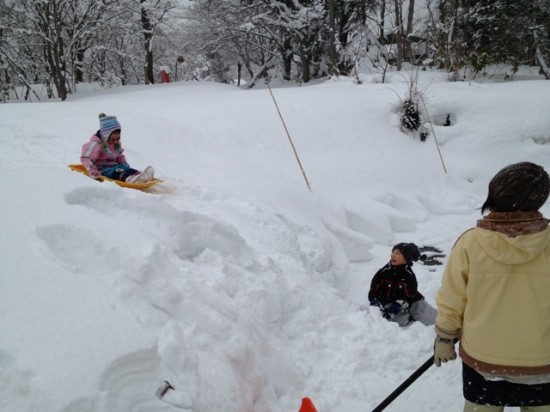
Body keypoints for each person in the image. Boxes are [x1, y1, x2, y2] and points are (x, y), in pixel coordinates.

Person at [433, 161, 550, 412]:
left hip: (484, 363)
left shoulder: (470, 243)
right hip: (543, 363)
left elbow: (453, 297)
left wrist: (445, 337)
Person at [368, 242, 437, 326]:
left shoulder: (408, 275)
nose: (393, 255)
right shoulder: (384, 272)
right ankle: (409, 318)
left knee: (434, 319)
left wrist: (399, 304)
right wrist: (375, 301)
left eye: (397, 253)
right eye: (393, 252)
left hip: (411, 302)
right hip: (390, 302)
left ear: (406, 259)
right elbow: (374, 288)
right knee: (395, 321)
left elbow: (411, 294)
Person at [81, 113, 155, 183]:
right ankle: (130, 178)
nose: (116, 141)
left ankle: (140, 175)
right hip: (102, 169)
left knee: (124, 168)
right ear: (106, 135)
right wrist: (92, 170)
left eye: (118, 137)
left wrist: (124, 164)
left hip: (115, 165)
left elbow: (119, 155)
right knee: (117, 172)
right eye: (113, 139)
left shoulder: (116, 143)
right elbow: (86, 157)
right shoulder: (95, 144)